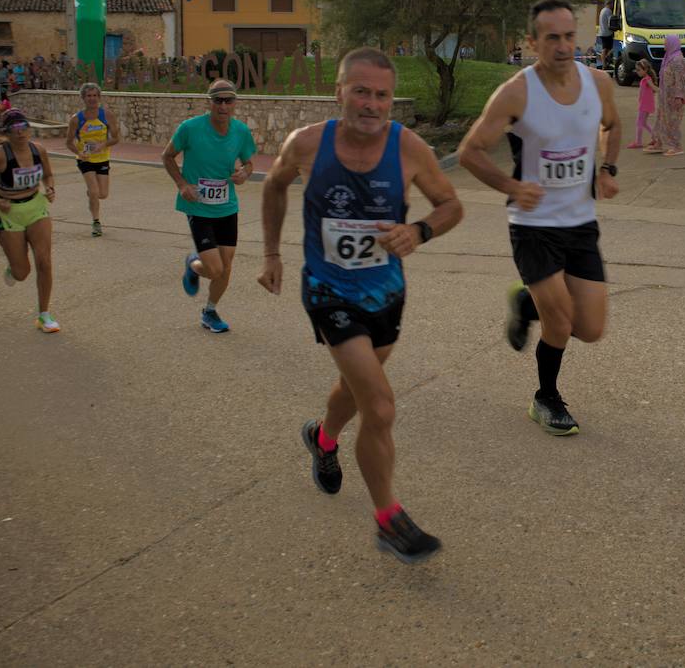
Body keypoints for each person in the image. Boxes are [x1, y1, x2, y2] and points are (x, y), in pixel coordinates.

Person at [258, 47, 463, 563]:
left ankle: (322, 439)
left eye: (381, 95)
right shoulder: (306, 144)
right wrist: (270, 254)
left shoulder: (409, 149)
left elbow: (452, 205)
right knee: (380, 405)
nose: (370, 103)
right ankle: (389, 520)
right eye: (361, 91)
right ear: (340, 92)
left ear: (391, 101)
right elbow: (275, 187)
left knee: (354, 388)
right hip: (328, 292)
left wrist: (419, 231)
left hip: (386, 294)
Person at [459, 0, 621, 436]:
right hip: (533, 227)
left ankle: (524, 301)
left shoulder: (598, 83)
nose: (564, 46)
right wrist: (512, 187)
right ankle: (545, 398)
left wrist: (606, 169)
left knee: (591, 329)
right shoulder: (516, 92)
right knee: (562, 323)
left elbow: (613, 125)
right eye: (552, 38)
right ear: (533, 43)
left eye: (570, 36)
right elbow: (469, 152)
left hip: (580, 222)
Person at [162, 78, 257, 333]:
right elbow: (167, 156)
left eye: (228, 101)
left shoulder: (241, 131)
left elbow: (249, 163)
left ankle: (210, 311)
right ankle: (193, 264)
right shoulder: (190, 128)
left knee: (226, 268)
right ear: (210, 102)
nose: (223, 106)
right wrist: (182, 184)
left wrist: (245, 173)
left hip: (227, 207)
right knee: (214, 269)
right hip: (199, 207)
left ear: (235, 103)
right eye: (218, 101)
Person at [0, 108, 60, 332]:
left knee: (44, 261)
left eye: (24, 127)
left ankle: (44, 315)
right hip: (8, 212)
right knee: (22, 273)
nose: (21, 133)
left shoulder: (38, 150)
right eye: (15, 129)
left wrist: (49, 188)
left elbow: (48, 174)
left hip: (35, 207)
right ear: (7, 132)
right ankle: (13, 268)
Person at [66, 82, 122, 237]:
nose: (92, 99)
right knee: (94, 190)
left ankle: (91, 195)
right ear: (83, 98)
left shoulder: (107, 115)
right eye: (88, 96)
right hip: (85, 159)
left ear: (99, 97)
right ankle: (96, 222)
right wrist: (79, 152)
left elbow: (116, 138)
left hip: (103, 158)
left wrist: (103, 144)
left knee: (103, 194)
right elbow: (68, 142)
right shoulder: (76, 119)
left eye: (94, 96)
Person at [644, 34, 685, 157]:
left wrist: (679, 96)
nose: (664, 45)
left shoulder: (677, 60)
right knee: (661, 119)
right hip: (665, 97)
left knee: (672, 122)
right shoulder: (668, 58)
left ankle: (676, 146)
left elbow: (681, 79)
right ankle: (658, 142)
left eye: (666, 42)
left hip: (674, 98)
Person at [626, 58, 657, 149]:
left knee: (639, 123)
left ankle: (638, 142)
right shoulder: (644, 79)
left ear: (646, 70)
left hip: (645, 105)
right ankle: (655, 137)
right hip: (644, 104)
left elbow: (654, 88)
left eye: (639, 70)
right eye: (636, 70)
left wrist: (662, 91)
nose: (637, 72)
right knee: (643, 123)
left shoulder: (647, 79)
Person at [597, 0, 614, 71]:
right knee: (607, 48)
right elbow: (611, 21)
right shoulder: (608, 11)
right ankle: (605, 62)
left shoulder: (602, 10)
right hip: (607, 33)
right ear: (610, 4)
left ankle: (605, 62)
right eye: (613, 4)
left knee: (606, 48)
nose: (613, 6)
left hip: (602, 32)